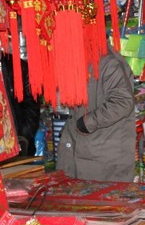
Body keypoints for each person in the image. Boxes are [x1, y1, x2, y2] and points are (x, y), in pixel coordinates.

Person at [57, 44, 136, 182]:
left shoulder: (108, 62)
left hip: (101, 158)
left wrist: (88, 123)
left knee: (101, 195)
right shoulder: (84, 59)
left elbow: (123, 102)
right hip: (80, 150)